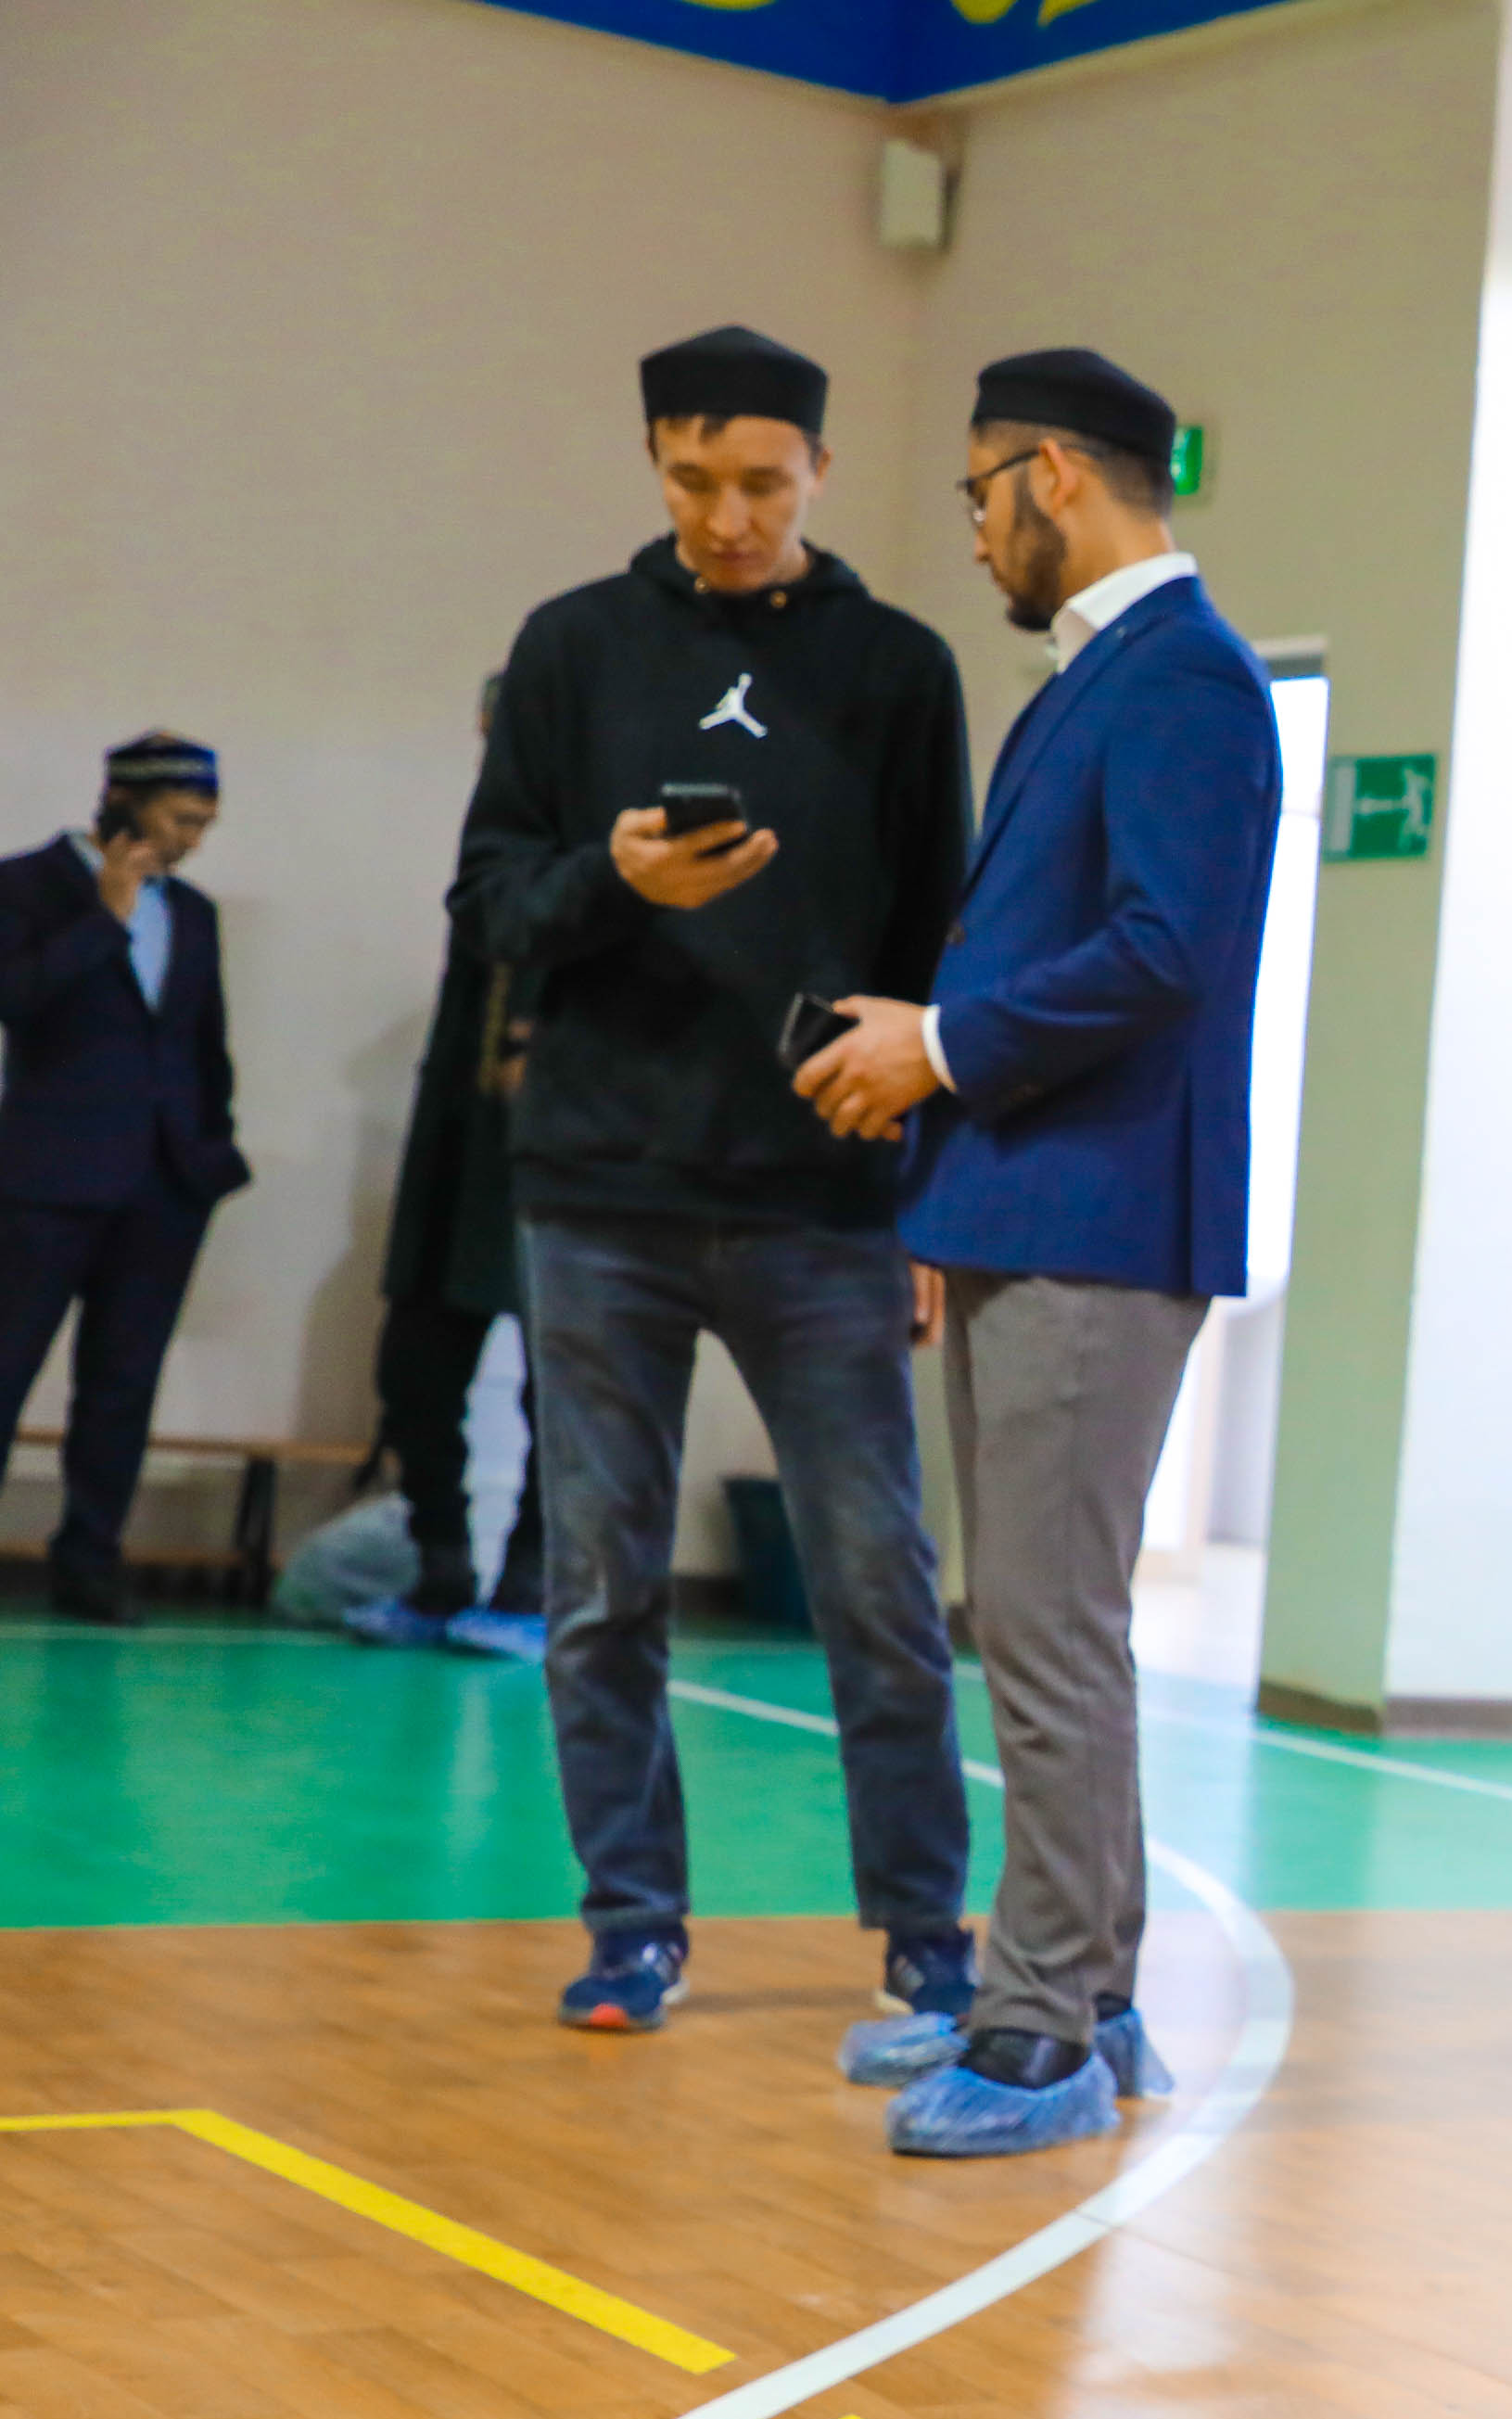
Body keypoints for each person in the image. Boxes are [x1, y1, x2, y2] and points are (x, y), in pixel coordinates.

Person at [451, 325, 978, 2041]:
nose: (729, 517)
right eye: (693, 481)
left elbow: (941, 947)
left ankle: (925, 1931)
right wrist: (613, 882)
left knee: (877, 1584)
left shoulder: (898, 669)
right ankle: (632, 1928)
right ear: (654, 465)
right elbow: (489, 908)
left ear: (820, 467)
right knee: (601, 1589)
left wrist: (931, 1202)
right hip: (597, 1196)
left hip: (826, 1198)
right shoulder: (570, 647)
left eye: (761, 482)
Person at [798, 349, 1277, 2158]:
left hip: (1098, 1217)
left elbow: (1165, 952)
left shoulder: (1185, 678)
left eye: (981, 492)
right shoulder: (1101, 679)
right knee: (1040, 1624)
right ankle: (1084, 1991)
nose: (980, 531)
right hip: (1027, 1201)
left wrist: (937, 1047)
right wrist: (944, 1155)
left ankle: (1036, 2034)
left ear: (1053, 476)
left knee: (1048, 1631)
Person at [0, 734, 252, 1627]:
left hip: (163, 1184)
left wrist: (211, 1149)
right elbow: (15, 999)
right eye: (182, 819)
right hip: (46, 1180)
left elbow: (203, 1043)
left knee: (122, 1383)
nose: (193, 839)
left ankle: (90, 1561)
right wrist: (106, 917)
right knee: (7, 1366)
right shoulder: (25, 885)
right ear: (126, 803)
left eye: (205, 823)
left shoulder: (194, 912)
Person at [351, 672, 545, 1655]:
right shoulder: (495, 844)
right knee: (415, 1372)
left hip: (556, 1152)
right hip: (457, 1150)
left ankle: (531, 1586)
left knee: (561, 1385)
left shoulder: (603, 845)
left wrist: (539, 1037)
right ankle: (440, 1572)